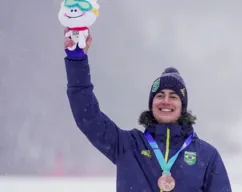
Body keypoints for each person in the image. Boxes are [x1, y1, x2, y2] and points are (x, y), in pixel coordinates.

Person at [63, 27, 232, 192]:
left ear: (183, 107)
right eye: (160, 96)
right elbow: (88, 116)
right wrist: (77, 61)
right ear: (151, 104)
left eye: (173, 96)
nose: (166, 101)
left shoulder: (207, 156)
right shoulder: (128, 146)